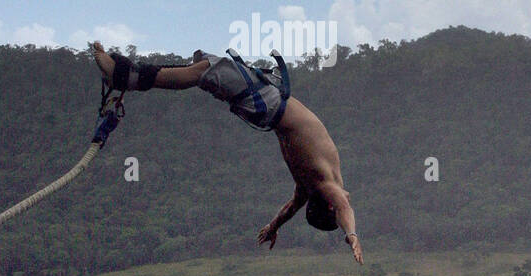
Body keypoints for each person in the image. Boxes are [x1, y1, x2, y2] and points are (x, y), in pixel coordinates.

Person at [92, 41, 363, 263]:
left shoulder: (325, 187)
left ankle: (125, 77)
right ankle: (127, 73)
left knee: (205, 70)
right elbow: (293, 208)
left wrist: (351, 235)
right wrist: (274, 227)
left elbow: (342, 207)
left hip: (267, 106)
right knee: (203, 66)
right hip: (266, 108)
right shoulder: (314, 188)